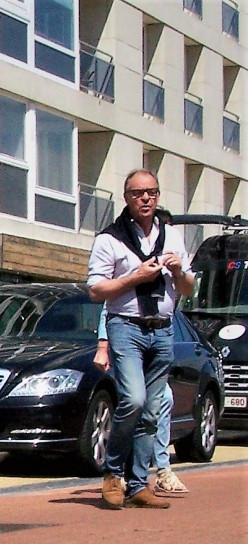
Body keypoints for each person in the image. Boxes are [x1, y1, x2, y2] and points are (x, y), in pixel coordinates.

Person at [88, 170, 195, 509]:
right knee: (133, 400)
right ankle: (113, 473)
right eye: (138, 193)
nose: (146, 199)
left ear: (158, 196)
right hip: (127, 326)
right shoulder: (111, 239)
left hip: (163, 328)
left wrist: (178, 272)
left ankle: (137, 483)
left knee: (152, 409)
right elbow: (95, 289)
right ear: (127, 198)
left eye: (151, 192)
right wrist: (135, 277)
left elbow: (189, 289)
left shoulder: (173, 237)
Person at [94, 308, 188, 496]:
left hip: (157, 339)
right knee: (134, 402)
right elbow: (108, 306)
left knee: (162, 401)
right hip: (127, 339)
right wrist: (102, 347)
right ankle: (115, 472)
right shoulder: (126, 285)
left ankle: (158, 471)